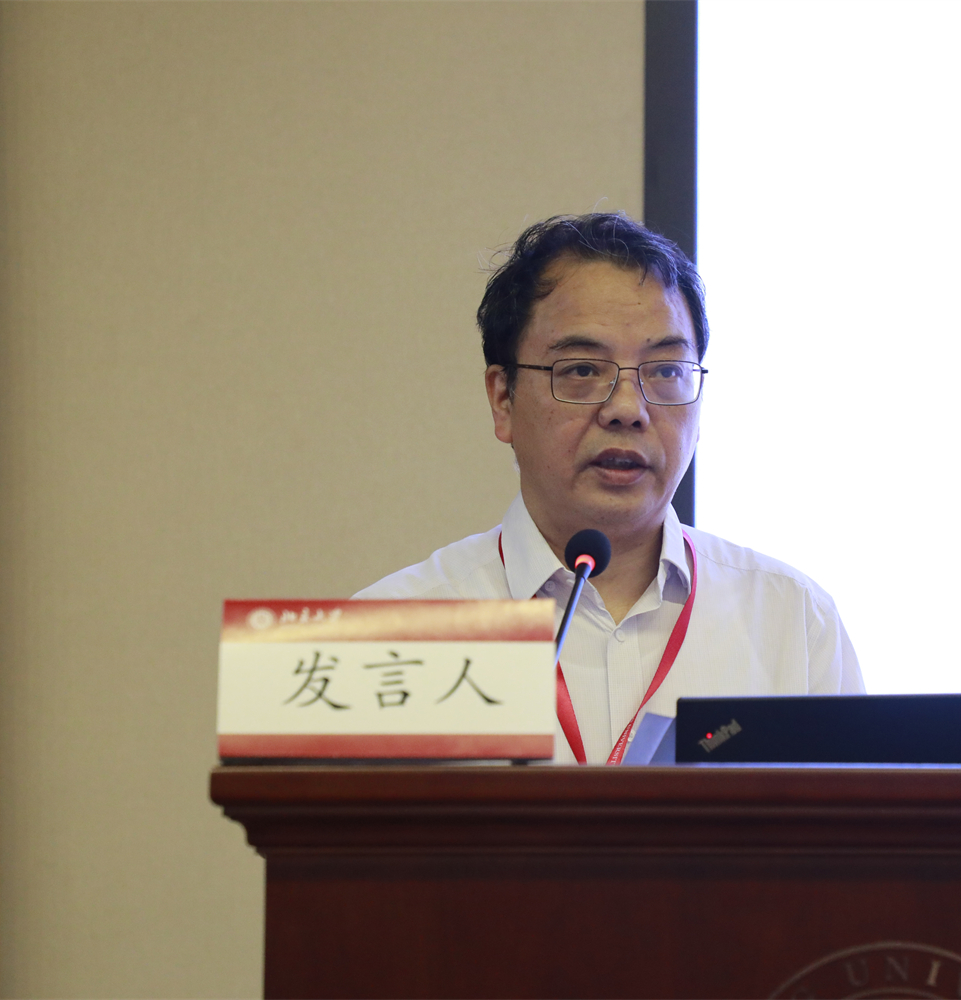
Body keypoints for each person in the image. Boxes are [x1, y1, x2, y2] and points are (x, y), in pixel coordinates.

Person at [355, 213, 864, 763]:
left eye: (665, 371)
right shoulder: (392, 634)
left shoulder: (791, 621)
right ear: (503, 400)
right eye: (581, 370)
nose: (627, 409)